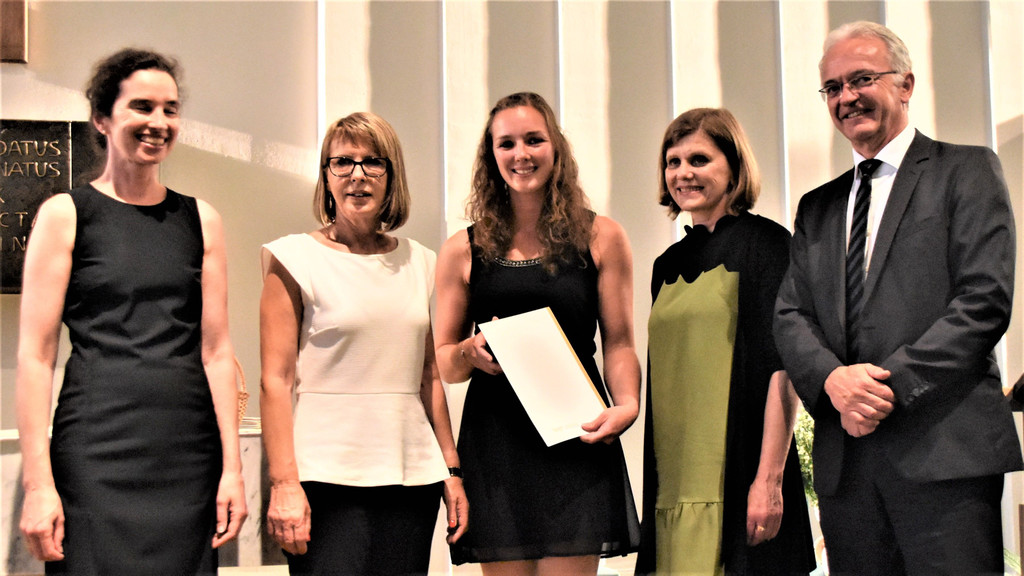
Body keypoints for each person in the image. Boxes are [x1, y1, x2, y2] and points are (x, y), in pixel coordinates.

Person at [774, 21, 1021, 575]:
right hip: (848, 468)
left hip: (943, 454)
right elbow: (791, 315)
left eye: (862, 79)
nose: (846, 97)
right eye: (833, 87)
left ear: (905, 84)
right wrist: (835, 382)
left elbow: (983, 300)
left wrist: (881, 390)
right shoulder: (817, 207)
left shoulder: (966, 170)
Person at [16, 48, 246, 574]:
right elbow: (35, 356)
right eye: (142, 106)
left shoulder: (201, 219)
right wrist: (38, 484)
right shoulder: (66, 215)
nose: (158, 122)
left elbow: (216, 352)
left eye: (170, 109)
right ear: (102, 118)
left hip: (188, 455)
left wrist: (233, 470)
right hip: (95, 453)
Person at [434, 91, 641, 574]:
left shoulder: (602, 237)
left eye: (534, 140)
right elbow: (444, 361)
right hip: (496, 448)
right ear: (491, 155)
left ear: (556, 148)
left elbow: (619, 342)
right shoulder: (461, 249)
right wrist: (468, 352)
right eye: (506, 144)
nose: (520, 154)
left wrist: (628, 404)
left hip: (576, 442)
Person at [259, 112, 468, 575]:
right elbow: (275, 381)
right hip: (324, 475)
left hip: (411, 474)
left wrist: (451, 470)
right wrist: (283, 483)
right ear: (326, 175)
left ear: (391, 176)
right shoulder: (292, 258)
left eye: (373, 162)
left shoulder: (420, 261)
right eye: (343, 162)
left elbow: (428, 375)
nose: (358, 174)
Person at [635, 108, 815, 576]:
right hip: (672, 478)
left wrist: (769, 480)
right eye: (673, 162)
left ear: (734, 168)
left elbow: (783, 369)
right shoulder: (666, 265)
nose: (683, 173)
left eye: (699, 159)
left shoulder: (767, 244)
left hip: (741, 474)